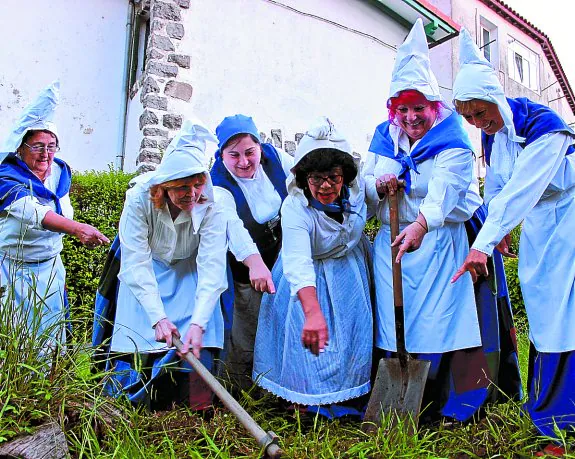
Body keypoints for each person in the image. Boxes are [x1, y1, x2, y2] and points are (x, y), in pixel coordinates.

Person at [364, 19, 521, 423]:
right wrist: (379, 187)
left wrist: (420, 224)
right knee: (397, 322)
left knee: (445, 320)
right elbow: (363, 182)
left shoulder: (453, 139)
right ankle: (400, 393)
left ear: (434, 107)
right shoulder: (384, 137)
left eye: (419, 108)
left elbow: (446, 191)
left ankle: (449, 400)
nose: (411, 117)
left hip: (440, 240)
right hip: (392, 243)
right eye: (403, 109)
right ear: (393, 109)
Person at [452, 29, 575, 456]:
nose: (478, 123)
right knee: (542, 312)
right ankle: (546, 405)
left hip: (570, 222)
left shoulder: (545, 128)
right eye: (469, 117)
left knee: (564, 315)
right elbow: (498, 189)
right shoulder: (494, 134)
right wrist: (498, 230)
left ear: (495, 98)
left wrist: (481, 244)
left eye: (481, 112)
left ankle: (561, 420)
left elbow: (521, 189)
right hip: (542, 226)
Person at [95, 120, 229, 410]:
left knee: (201, 342)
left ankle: (195, 410)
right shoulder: (139, 199)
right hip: (146, 275)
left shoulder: (212, 204)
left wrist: (198, 322)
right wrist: (158, 318)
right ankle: (134, 410)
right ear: (163, 187)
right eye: (182, 187)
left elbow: (212, 266)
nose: (192, 194)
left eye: (196, 184)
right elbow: (135, 261)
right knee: (140, 338)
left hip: (190, 274)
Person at [253, 117, 373, 419]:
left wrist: (387, 187)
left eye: (333, 177)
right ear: (304, 177)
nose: (325, 186)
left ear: (344, 175)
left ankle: (346, 396)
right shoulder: (296, 209)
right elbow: (298, 262)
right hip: (307, 280)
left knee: (350, 335)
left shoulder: (357, 195)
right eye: (317, 178)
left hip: (349, 274)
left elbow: (381, 197)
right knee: (305, 346)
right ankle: (303, 401)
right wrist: (313, 311)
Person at [0, 81, 108, 352]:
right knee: (17, 339)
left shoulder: (60, 172)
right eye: (37, 146)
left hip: (50, 269)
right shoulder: (6, 178)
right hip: (14, 271)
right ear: (21, 148)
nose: (45, 154)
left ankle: (48, 388)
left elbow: (61, 206)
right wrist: (77, 229)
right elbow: (35, 213)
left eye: (51, 146)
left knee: (52, 338)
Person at [210, 114, 292, 390]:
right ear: (222, 155)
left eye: (250, 152)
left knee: (283, 325)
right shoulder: (218, 184)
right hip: (245, 271)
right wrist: (254, 263)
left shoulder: (277, 159)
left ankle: (282, 387)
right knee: (248, 331)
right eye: (234, 155)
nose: (244, 162)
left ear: (260, 146)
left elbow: (303, 185)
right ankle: (245, 391)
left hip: (283, 262)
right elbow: (233, 227)